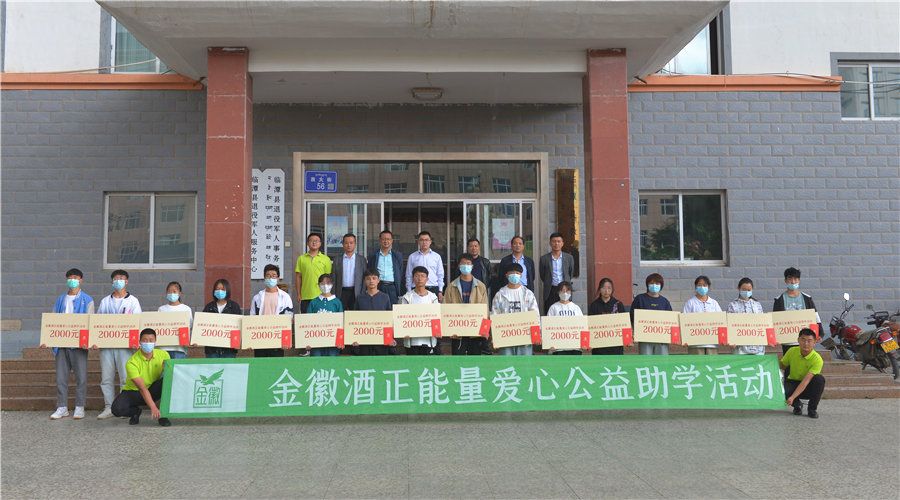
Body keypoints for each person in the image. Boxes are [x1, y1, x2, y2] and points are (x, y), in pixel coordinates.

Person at [41, 268, 94, 420]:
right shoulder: (61, 299)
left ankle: (80, 407)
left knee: (81, 377)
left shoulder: (88, 300)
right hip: (61, 343)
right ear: (66, 280)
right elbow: (52, 321)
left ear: (81, 280)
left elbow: (90, 321)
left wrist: (88, 341)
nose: (72, 280)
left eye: (75, 277)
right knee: (61, 377)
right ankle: (62, 407)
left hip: (79, 345)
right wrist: (47, 340)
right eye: (70, 278)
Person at [95, 269, 142, 420]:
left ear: (126, 281)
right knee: (106, 378)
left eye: (121, 278)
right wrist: (95, 340)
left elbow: (137, 323)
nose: (118, 281)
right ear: (112, 282)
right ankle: (109, 407)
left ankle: (123, 407)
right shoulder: (105, 301)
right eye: (115, 278)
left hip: (125, 346)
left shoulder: (133, 301)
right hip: (107, 345)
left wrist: (136, 342)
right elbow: (98, 323)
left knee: (125, 377)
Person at [110, 328, 171, 427]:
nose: (148, 343)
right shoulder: (132, 362)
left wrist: (166, 369)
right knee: (117, 409)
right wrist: (153, 407)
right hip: (134, 392)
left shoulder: (164, 354)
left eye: (151, 340)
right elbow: (142, 388)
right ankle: (135, 412)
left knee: (168, 381)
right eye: (145, 340)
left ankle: (163, 415)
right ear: (140, 342)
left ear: (155, 341)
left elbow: (170, 375)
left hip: (153, 389)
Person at [405, 231, 445, 354]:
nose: (424, 242)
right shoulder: (412, 257)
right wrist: (409, 292)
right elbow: (408, 275)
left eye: (426, 240)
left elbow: (440, 275)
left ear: (430, 242)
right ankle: (415, 342)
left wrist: (440, 290)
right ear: (418, 242)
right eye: (421, 240)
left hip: (433, 289)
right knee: (416, 317)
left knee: (433, 318)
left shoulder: (436, 257)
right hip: (415, 290)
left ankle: (436, 346)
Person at [444, 255, 489, 356]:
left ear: (472, 266)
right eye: (463, 263)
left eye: (468, 264)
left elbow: (485, 309)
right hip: (457, 331)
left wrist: (485, 330)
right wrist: (449, 330)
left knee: (474, 360)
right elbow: (446, 308)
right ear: (459, 266)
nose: (465, 266)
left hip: (475, 331)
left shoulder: (480, 286)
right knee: (457, 361)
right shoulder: (451, 286)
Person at [491, 263, 540, 356]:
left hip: (525, 335)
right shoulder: (500, 294)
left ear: (521, 275)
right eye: (512, 273)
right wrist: (495, 337)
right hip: (505, 336)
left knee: (524, 362)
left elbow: (535, 314)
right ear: (507, 275)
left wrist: (537, 335)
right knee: (506, 362)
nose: (515, 275)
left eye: (517, 273)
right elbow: (495, 315)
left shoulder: (528, 294)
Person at [773, 267, 824, 354]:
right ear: (785, 281)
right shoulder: (779, 300)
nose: (793, 282)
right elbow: (775, 320)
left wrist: (820, 333)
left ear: (799, 281)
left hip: (805, 340)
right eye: (790, 279)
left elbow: (815, 316)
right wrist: (775, 338)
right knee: (789, 361)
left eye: (795, 279)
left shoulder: (807, 298)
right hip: (788, 341)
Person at [779, 328, 826, 419]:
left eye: (809, 341)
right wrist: (774, 360)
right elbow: (783, 366)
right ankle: (797, 406)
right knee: (784, 390)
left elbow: (805, 381)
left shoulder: (817, 359)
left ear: (814, 342)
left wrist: (792, 397)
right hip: (793, 382)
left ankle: (812, 409)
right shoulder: (792, 351)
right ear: (798, 340)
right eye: (803, 340)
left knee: (819, 379)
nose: (806, 344)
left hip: (808, 386)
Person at [249, 264, 294, 357]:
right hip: (260, 337)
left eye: (274, 275)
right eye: (268, 275)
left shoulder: (285, 297)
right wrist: (250, 341)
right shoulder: (257, 298)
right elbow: (252, 318)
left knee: (276, 365)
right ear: (264, 278)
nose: (270, 278)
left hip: (277, 337)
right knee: (260, 364)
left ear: (278, 278)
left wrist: (285, 341)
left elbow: (289, 319)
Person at [399, 266, 440, 355]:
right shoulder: (407, 297)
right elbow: (402, 318)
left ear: (427, 279)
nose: (420, 279)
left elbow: (437, 317)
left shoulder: (432, 297)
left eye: (422, 276)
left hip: (428, 339)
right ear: (413, 279)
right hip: (411, 340)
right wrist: (403, 332)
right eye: (417, 276)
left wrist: (437, 331)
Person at [354, 269, 395, 356]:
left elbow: (389, 318)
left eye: (374, 278)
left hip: (381, 338)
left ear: (378, 280)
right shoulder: (360, 298)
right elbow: (355, 318)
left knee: (381, 361)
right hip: (364, 338)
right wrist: (355, 338)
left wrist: (391, 338)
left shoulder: (385, 297)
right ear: (364, 281)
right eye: (368, 278)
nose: (371, 281)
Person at [630, 273, 672, 355]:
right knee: (645, 361)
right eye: (651, 283)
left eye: (657, 283)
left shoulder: (665, 301)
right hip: (645, 338)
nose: (654, 285)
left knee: (662, 361)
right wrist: (637, 332)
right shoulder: (640, 299)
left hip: (661, 339)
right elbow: (633, 317)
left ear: (661, 285)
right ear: (647, 285)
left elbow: (671, 320)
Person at [200, 279, 242, 358]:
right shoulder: (209, 307)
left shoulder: (234, 307)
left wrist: (238, 342)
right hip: (212, 349)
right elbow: (201, 325)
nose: (220, 291)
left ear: (227, 290)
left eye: (223, 289)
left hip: (228, 350)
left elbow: (238, 326)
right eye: (217, 289)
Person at [305, 274, 344, 356]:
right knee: (316, 361)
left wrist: (340, 341)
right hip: (316, 340)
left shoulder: (337, 302)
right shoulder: (314, 302)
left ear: (332, 285)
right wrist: (307, 341)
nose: (325, 285)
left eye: (328, 283)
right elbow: (307, 322)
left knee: (332, 361)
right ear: (318, 285)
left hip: (333, 340)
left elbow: (341, 322)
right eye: (322, 283)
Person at [726, 278, 767, 355]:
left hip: (757, 346)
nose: (747, 292)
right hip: (740, 346)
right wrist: (731, 340)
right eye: (744, 289)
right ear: (739, 289)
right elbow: (729, 324)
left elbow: (763, 323)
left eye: (749, 290)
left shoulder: (757, 304)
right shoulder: (733, 305)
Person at [682, 275, 721, 355]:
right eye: (699, 285)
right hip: (695, 344)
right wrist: (685, 339)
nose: (702, 287)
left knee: (712, 363)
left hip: (711, 344)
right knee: (697, 363)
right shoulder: (690, 303)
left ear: (708, 287)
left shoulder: (714, 303)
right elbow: (684, 321)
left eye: (705, 285)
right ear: (695, 287)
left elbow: (721, 321)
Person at [588, 278, 627, 356]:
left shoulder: (618, 304)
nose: (606, 290)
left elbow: (625, 323)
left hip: (616, 345)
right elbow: (590, 324)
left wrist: (627, 340)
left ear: (612, 289)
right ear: (600, 289)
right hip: (599, 345)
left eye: (609, 288)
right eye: (604, 288)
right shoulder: (594, 305)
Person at [295, 232, 332, 314]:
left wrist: (327, 294)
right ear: (307, 243)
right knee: (306, 319)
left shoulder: (326, 259)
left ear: (320, 244)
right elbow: (299, 277)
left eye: (316, 240)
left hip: (321, 295)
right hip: (305, 295)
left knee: (320, 319)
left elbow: (328, 279)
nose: (314, 242)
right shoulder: (301, 259)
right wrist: (298, 294)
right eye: (311, 240)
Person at [539, 232, 575, 315]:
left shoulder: (569, 258)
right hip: (550, 290)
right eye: (554, 241)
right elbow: (543, 275)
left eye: (559, 241)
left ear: (562, 244)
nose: (556, 243)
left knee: (565, 312)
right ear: (550, 243)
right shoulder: (544, 259)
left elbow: (570, 273)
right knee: (550, 312)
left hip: (564, 290)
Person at [368, 230, 405, 305]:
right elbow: (369, 271)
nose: (386, 241)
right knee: (377, 307)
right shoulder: (373, 255)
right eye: (383, 239)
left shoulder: (397, 255)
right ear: (379, 241)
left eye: (388, 239)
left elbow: (400, 272)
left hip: (392, 287)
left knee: (392, 308)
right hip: (378, 286)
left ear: (392, 241)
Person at [332, 233, 367, 312]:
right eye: (346, 243)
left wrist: (362, 293)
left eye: (351, 243)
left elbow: (364, 279)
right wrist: (333, 294)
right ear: (343, 244)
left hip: (356, 292)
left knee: (355, 315)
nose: (349, 245)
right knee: (340, 314)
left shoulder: (361, 260)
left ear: (355, 244)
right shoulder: (337, 260)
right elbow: (334, 278)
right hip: (341, 292)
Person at [546, 281, 583, 355]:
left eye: (567, 290)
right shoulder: (553, 308)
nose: (565, 293)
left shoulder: (576, 308)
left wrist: (584, 343)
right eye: (562, 291)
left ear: (570, 292)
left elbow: (582, 326)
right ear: (558, 292)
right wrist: (549, 343)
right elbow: (547, 327)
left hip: (575, 347)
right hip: (558, 348)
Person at [157, 281, 191, 360]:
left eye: (174, 291)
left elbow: (190, 327)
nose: (172, 294)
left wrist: (188, 341)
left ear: (179, 293)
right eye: (169, 291)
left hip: (180, 348)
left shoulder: (186, 309)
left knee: (178, 368)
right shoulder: (162, 309)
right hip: (163, 348)